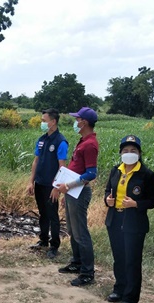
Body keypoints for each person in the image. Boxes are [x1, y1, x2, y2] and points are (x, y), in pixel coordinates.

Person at [104, 135, 154, 303]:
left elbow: (153, 200)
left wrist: (136, 204)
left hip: (134, 222)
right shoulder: (115, 170)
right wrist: (108, 200)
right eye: (126, 151)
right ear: (120, 153)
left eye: (133, 151)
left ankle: (131, 297)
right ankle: (119, 289)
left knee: (132, 260)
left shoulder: (147, 174)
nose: (129, 154)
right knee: (119, 258)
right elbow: (108, 190)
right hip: (115, 219)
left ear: (139, 153)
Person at [55, 107, 99, 287]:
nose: (76, 122)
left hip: (78, 192)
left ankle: (87, 272)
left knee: (81, 233)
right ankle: (76, 262)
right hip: (72, 192)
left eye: (78, 119)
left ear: (84, 122)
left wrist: (69, 186)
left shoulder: (90, 144)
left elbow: (91, 173)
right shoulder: (83, 141)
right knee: (73, 230)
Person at [27, 108, 68, 258]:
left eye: (44, 121)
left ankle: (54, 245)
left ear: (53, 122)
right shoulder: (42, 140)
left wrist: (57, 187)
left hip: (52, 186)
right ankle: (43, 240)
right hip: (40, 183)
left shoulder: (60, 142)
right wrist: (31, 182)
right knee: (43, 213)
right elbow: (36, 161)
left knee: (52, 215)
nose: (42, 123)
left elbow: (62, 167)